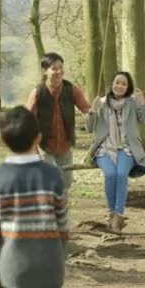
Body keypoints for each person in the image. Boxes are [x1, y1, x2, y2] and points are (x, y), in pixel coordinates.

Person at [0, 106, 68, 288]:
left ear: (3, 140)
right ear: (38, 138)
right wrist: (58, 255)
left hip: (11, 268)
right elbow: (62, 225)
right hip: (48, 266)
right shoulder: (53, 176)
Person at [86, 71, 145, 233]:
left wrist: (143, 103)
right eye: (117, 82)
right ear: (112, 84)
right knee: (110, 174)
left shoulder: (132, 103)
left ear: (128, 87)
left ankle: (118, 215)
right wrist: (92, 112)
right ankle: (112, 214)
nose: (119, 86)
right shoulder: (101, 102)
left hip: (127, 147)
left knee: (121, 174)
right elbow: (89, 128)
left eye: (124, 84)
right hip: (104, 147)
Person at [26, 52, 91, 191]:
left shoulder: (72, 90)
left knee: (66, 183)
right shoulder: (37, 93)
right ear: (45, 71)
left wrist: (96, 110)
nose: (59, 71)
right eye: (54, 68)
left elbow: (87, 110)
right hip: (44, 147)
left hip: (65, 146)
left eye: (61, 67)